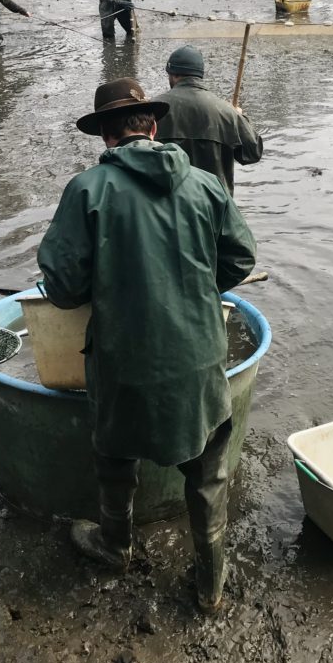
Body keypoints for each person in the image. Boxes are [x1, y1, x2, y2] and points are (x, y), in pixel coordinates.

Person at [37, 78, 256, 613]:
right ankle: (211, 584)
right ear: (153, 128)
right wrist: (197, 291)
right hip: (202, 356)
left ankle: (116, 544)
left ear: (107, 138)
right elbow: (241, 260)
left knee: (114, 451)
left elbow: (62, 288)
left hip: (123, 359)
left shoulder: (86, 190)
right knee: (208, 473)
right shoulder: (206, 185)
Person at [153, 45, 264, 195]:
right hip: (214, 208)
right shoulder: (226, 112)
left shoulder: (152, 110)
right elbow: (253, 153)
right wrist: (240, 117)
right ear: (200, 75)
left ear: (172, 74)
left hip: (167, 209)